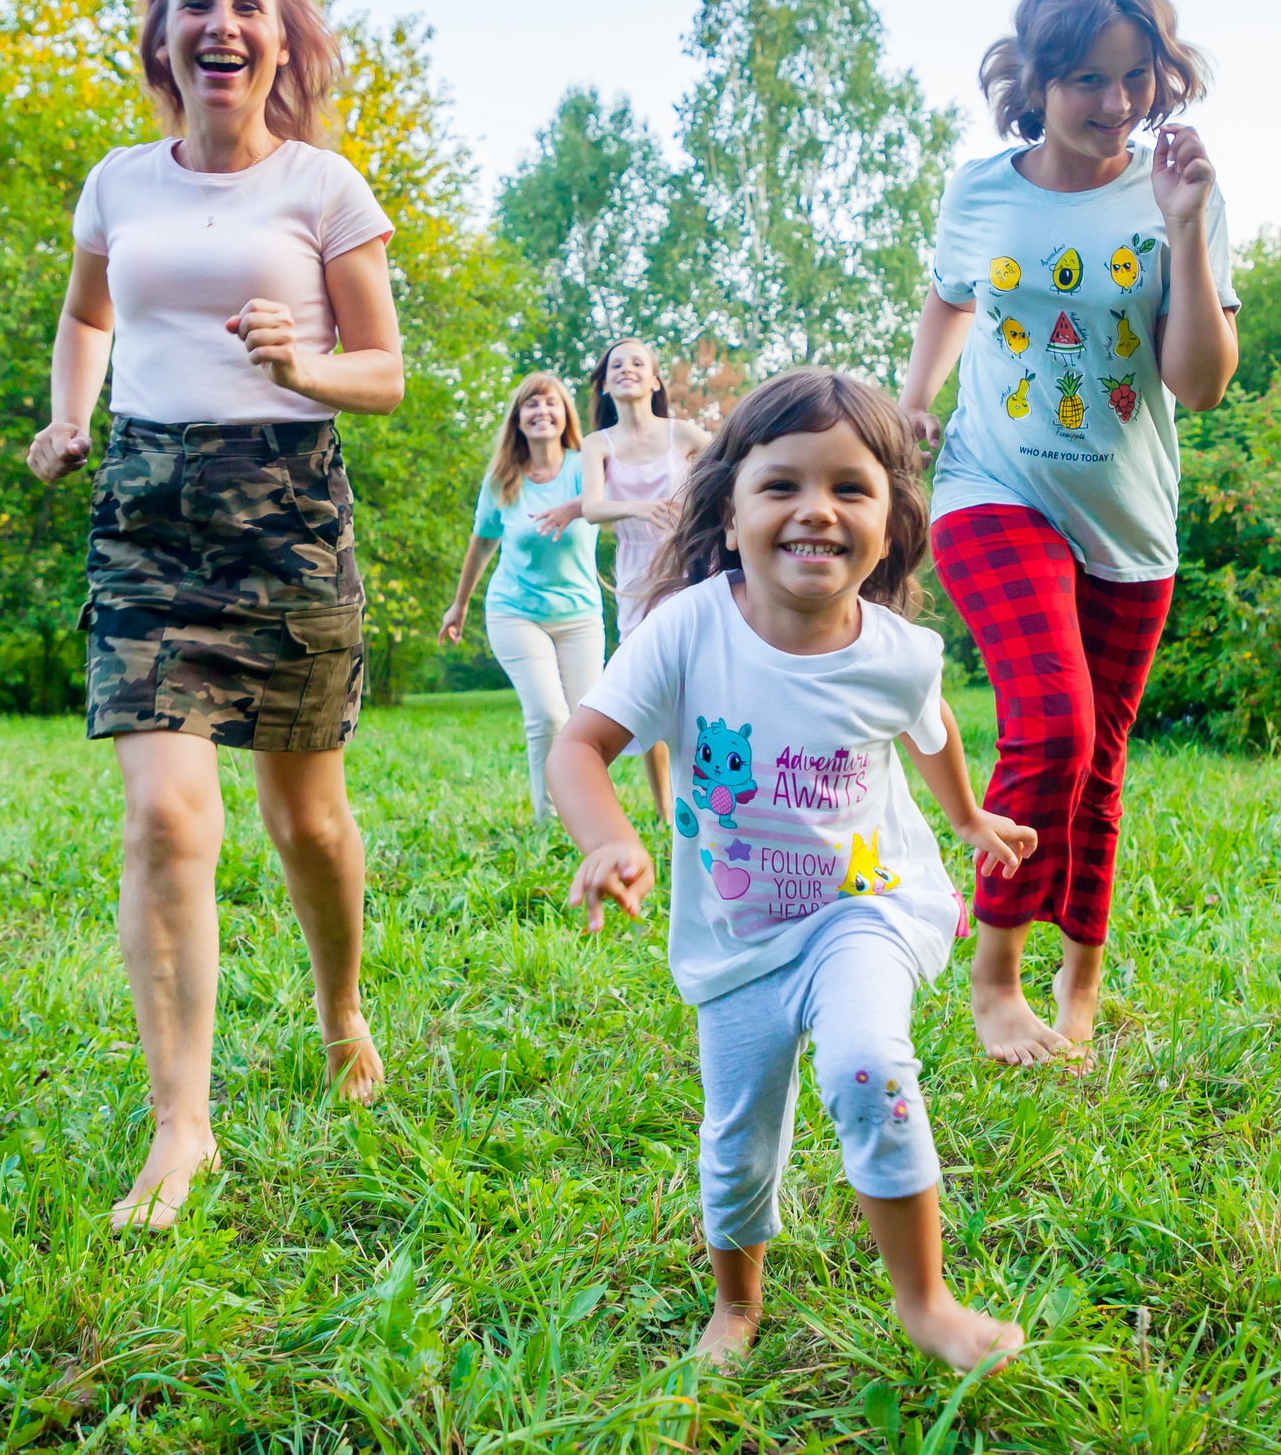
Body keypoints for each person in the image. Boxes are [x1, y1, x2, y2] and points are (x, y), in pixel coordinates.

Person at [25, 0, 399, 1232]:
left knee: (309, 823)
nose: (221, 23)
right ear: (163, 34)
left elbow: (388, 372)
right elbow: (88, 311)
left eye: (247, 2)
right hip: (147, 512)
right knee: (171, 815)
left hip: (288, 514)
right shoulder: (119, 182)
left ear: (279, 35)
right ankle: (182, 1123)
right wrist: (70, 413)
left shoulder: (322, 188)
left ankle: (340, 1005)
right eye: (195, 1)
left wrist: (302, 364)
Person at [546, 368, 1037, 1373]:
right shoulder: (684, 629)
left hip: (865, 910)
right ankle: (736, 1303)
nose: (815, 509)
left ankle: (926, 1301)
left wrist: (966, 814)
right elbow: (577, 747)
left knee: (867, 1064)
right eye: (781, 486)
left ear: (891, 526)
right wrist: (606, 838)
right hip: (735, 944)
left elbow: (929, 731)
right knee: (737, 1142)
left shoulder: (899, 651)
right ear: (728, 517)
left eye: (849, 489)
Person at [898, 0, 1241, 1068]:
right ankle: (992, 977)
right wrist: (913, 404)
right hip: (992, 489)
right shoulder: (979, 189)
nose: (1116, 103)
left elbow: (1198, 383)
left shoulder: (1177, 191)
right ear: (1033, 80)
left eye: (1136, 75)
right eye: (1086, 77)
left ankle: (1077, 972)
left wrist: (1183, 229)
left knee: (1098, 764)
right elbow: (952, 297)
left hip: (1130, 520)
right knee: (1053, 721)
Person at [436, 374, 605, 820]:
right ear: (518, 419)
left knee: (588, 724)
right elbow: (482, 542)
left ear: (565, 413)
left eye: (550, 403)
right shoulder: (502, 480)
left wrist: (572, 507)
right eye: (531, 404)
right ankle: (548, 818)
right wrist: (460, 604)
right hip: (516, 612)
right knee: (549, 716)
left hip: (580, 616)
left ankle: (588, 812)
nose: (542, 411)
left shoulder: (584, 464)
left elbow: (615, 496)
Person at [575, 337, 710, 822]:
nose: (626, 369)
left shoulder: (684, 433)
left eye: (638, 363)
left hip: (689, 568)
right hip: (635, 575)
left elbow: (733, 470)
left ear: (655, 381)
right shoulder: (598, 443)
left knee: (695, 683)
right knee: (647, 687)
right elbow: (592, 507)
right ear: (606, 383)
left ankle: (704, 786)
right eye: (616, 365)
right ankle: (665, 809)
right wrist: (638, 506)